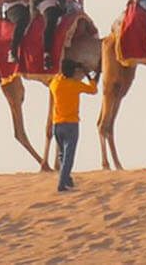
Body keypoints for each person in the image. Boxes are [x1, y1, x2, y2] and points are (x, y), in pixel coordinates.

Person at [48, 60, 96, 193]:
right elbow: (93, 90)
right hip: (71, 124)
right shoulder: (75, 85)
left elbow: (57, 77)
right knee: (69, 156)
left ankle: (67, 179)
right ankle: (62, 184)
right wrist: (88, 75)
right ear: (73, 72)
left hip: (57, 124)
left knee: (62, 155)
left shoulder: (55, 84)